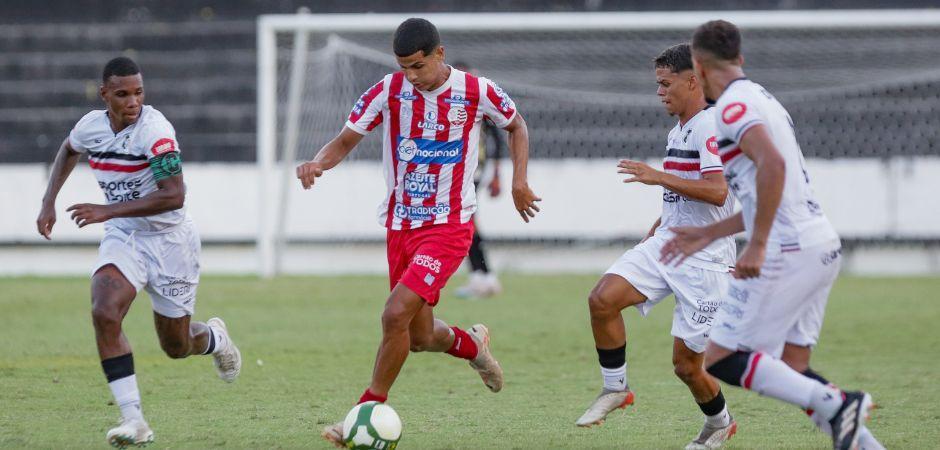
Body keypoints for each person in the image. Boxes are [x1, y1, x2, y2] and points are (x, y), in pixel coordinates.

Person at [294, 18, 541, 447]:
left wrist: (519, 181)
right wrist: (318, 162)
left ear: (439, 54)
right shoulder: (388, 91)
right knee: (419, 336)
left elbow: (516, 125)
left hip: (448, 226)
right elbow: (345, 140)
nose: (411, 76)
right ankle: (472, 345)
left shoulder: (476, 90)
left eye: (418, 66)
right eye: (403, 67)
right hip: (400, 226)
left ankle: (363, 412)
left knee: (393, 314)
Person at [660, 20, 879, 450]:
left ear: (698, 69)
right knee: (793, 368)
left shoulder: (731, 109)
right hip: (819, 243)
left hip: (787, 248)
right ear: (739, 58)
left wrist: (758, 244)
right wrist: (710, 234)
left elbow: (773, 167)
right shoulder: (764, 98)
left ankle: (839, 402)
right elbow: (764, 190)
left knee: (721, 357)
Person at [35, 56, 241, 448]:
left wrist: (106, 209)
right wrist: (48, 202)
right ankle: (134, 420)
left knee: (176, 346)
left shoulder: (156, 131)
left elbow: (173, 195)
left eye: (139, 92)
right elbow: (68, 149)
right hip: (125, 237)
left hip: (171, 242)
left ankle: (214, 339)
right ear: (104, 95)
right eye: (123, 94)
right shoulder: (91, 126)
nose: (133, 102)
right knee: (104, 310)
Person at [576, 43, 738, 450]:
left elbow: (717, 193)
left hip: (707, 261)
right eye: (657, 85)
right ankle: (616, 388)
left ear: (692, 80)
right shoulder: (678, 129)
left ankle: (719, 423)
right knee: (602, 299)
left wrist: (658, 176)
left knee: (686, 367)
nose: (660, 92)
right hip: (668, 245)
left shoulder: (712, 126)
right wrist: (657, 227)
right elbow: (683, 196)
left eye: (666, 84)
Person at [452, 60, 505, 299]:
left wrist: (496, 174)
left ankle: (483, 277)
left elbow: (498, 138)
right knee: (467, 222)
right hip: (459, 171)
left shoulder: (477, 102)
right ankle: (483, 277)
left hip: (472, 171)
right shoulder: (451, 101)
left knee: (466, 222)